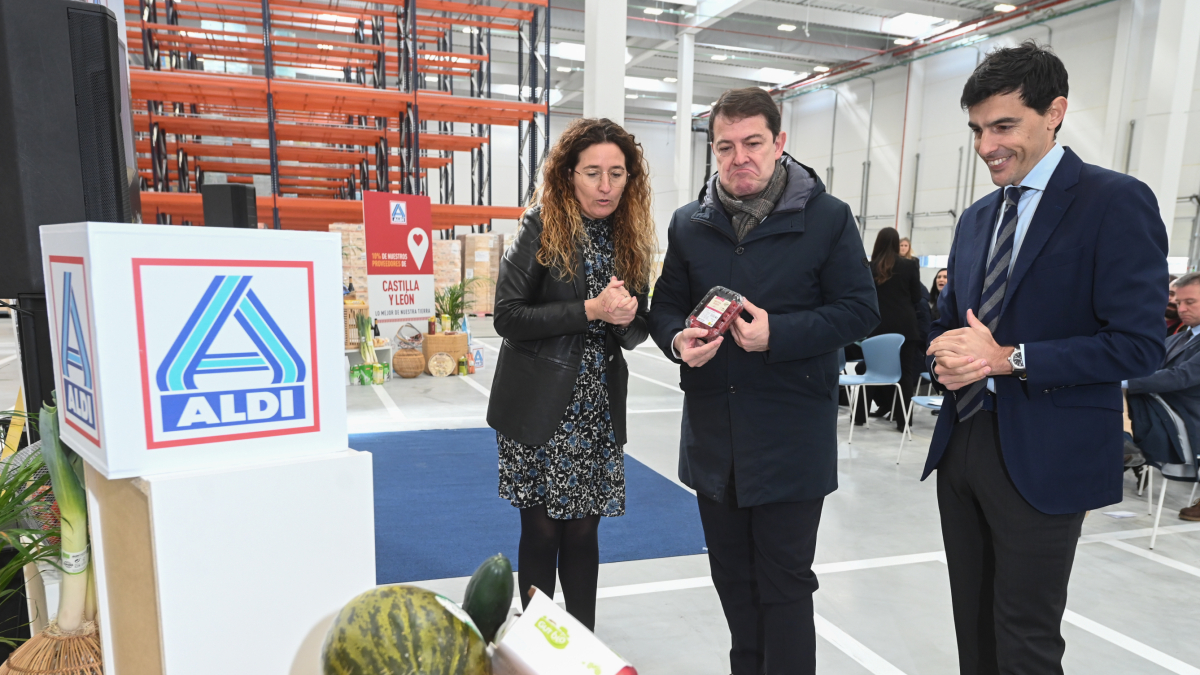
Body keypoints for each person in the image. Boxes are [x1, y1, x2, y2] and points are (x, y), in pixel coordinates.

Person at [925, 41, 1167, 674]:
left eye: (1004, 126)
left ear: (1055, 111)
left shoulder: (1114, 201)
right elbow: (952, 327)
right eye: (978, 130)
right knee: (972, 629)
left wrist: (1011, 360)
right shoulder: (978, 218)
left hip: (1046, 453)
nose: (986, 146)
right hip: (965, 442)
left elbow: (1139, 343)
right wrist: (944, 358)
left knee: (1025, 637)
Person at [648, 87, 878, 675]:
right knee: (733, 587)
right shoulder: (689, 224)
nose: (738, 157)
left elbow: (859, 311)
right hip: (713, 441)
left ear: (779, 143)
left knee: (783, 590)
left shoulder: (827, 219)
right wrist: (678, 340)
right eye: (725, 146)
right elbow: (665, 304)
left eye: (752, 143)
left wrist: (781, 333)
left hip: (788, 442)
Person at [488, 118, 657, 630]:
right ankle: (539, 649)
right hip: (539, 407)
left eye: (617, 173)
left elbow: (636, 325)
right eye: (592, 172)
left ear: (631, 179)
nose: (606, 186)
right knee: (541, 535)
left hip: (595, 411)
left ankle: (582, 646)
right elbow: (507, 315)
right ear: (568, 175)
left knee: (584, 536)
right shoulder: (541, 224)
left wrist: (629, 320)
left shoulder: (632, 236)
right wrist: (590, 310)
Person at [1124, 272, 1200, 521]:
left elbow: (1180, 377)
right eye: (1178, 302)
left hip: (1187, 415)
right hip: (1160, 405)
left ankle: (1122, 444)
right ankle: (1121, 445)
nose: (1181, 308)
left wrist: (1123, 382)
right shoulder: (1179, 338)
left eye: (1190, 302)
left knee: (1114, 392)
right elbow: (1149, 369)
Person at [859, 227, 923, 429]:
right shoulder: (909, 265)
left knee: (870, 371)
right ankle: (904, 422)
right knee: (905, 374)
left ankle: (859, 417)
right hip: (906, 327)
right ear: (897, 244)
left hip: (877, 328)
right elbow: (917, 297)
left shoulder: (868, 267)